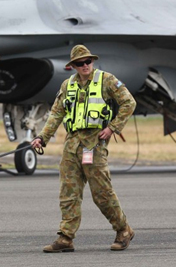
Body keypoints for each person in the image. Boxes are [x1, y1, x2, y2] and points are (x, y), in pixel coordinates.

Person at [31, 45, 136, 253]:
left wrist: (112, 128)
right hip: (72, 145)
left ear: (92, 62)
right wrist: (42, 137)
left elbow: (129, 103)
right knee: (68, 193)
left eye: (88, 61)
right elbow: (56, 114)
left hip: (94, 144)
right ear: (74, 66)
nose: (85, 65)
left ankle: (123, 230)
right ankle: (66, 237)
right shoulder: (67, 85)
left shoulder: (106, 80)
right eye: (80, 63)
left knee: (102, 193)